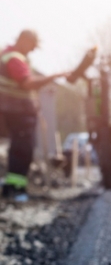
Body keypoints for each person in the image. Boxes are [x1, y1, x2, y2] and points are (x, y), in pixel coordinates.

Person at [0, 31, 70, 201]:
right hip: (17, 112)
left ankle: (14, 188)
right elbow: (27, 83)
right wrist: (53, 77)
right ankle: (16, 190)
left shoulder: (7, 55)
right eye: (31, 47)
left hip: (15, 111)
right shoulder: (15, 58)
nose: (31, 51)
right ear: (24, 40)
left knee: (20, 148)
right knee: (22, 150)